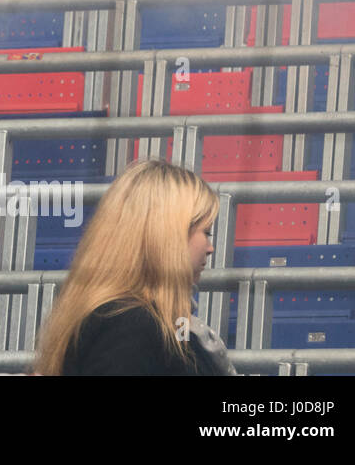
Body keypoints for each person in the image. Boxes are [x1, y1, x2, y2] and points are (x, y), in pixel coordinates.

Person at [33, 159, 237, 376]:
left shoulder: (145, 322)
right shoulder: (133, 326)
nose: (210, 247)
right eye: (206, 232)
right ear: (168, 235)